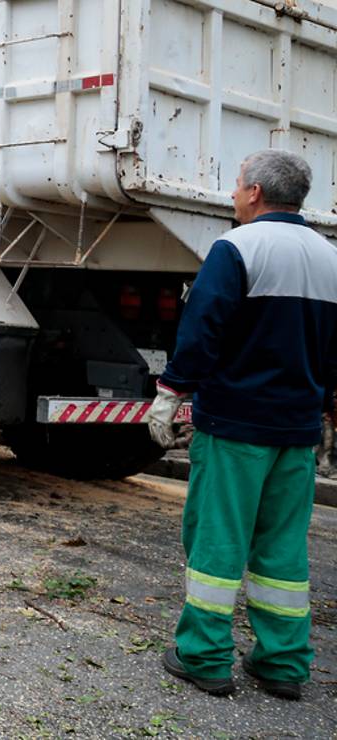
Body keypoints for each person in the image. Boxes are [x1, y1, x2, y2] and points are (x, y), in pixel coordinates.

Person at [148, 149, 337, 700]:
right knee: (283, 551)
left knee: (218, 542)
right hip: (297, 433)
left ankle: (204, 656)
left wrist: (171, 392)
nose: (233, 194)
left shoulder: (236, 248)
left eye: (235, 184)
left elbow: (203, 328)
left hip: (235, 428)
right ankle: (282, 664)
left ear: (254, 192)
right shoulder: (329, 259)